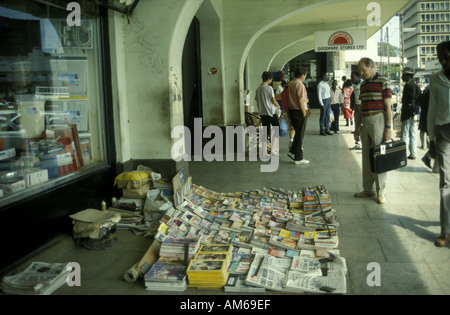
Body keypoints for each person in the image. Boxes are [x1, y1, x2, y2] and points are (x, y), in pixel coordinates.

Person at [354, 57, 393, 204]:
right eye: (360, 71)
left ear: (371, 66)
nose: (361, 73)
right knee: (366, 157)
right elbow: (361, 107)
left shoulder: (383, 82)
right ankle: (367, 189)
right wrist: (357, 128)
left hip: (379, 121)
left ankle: (380, 192)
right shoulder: (363, 85)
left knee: (379, 157)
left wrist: (388, 128)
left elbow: (388, 106)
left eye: (363, 70)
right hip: (365, 120)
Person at [427, 41, 450, 247]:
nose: (444, 61)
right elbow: (432, 108)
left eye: (447, 57)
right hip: (443, 133)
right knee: (446, 182)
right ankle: (446, 232)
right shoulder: (435, 79)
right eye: (441, 57)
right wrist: (431, 139)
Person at [286, 67, 309, 165]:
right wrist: (304, 113)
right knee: (300, 135)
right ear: (302, 75)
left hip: (291, 111)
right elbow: (300, 100)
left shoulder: (290, 84)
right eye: (305, 75)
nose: (305, 77)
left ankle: (293, 152)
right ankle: (298, 158)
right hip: (299, 112)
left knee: (298, 134)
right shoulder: (300, 85)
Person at [255, 71, 281, 155]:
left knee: (265, 131)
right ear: (269, 79)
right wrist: (278, 106)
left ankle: (264, 151)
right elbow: (273, 100)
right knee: (276, 129)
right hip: (271, 112)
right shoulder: (269, 88)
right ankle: (273, 149)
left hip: (262, 113)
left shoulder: (258, 89)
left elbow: (257, 99)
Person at [400, 67, 421, 160]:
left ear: (408, 76)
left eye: (403, 75)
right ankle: (413, 153)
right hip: (414, 113)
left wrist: (410, 109)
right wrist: (415, 110)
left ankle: (402, 154)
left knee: (404, 133)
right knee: (413, 133)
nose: (402, 77)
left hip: (407, 113)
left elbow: (410, 99)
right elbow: (419, 100)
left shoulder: (408, 85)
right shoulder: (416, 86)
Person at [350, 71, 362, 150]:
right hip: (357, 107)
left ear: (357, 77)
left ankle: (363, 143)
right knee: (356, 125)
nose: (352, 79)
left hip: (362, 107)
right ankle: (357, 143)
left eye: (353, 77)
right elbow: (354, 96)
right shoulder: (354, 85)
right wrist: (353, 105)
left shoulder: (362, 84)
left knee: (362, 125)